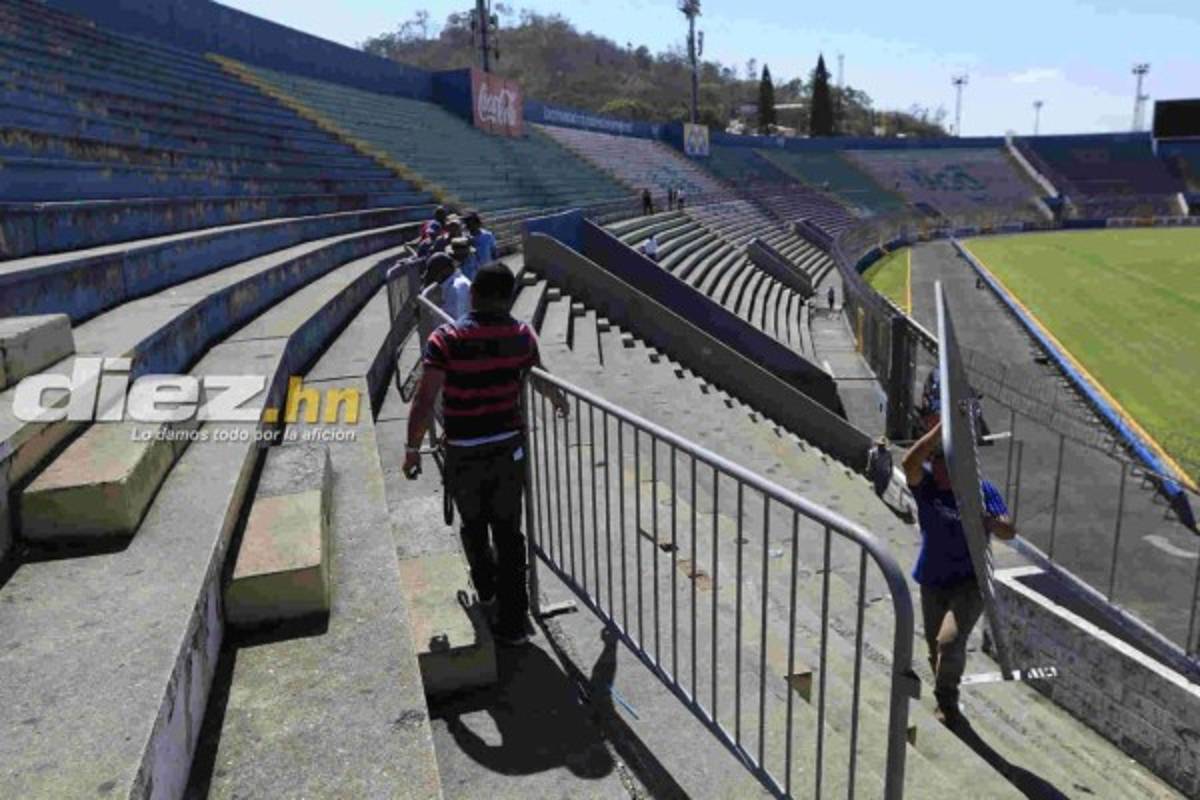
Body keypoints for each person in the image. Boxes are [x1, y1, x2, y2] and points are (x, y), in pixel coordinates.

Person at [404, 262, 570, 646]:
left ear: (474, 293)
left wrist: (412, 449)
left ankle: (488, 593)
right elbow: (541, 376)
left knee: (475, 528)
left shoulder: (446, 339)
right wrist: (559, 400)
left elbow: (425, 398)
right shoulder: (522, 335)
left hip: (465, 453)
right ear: (508, 297)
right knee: (510, 535)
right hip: (508, 452)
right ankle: (513, 624)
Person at [902, 418, 1015, 725]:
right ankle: (944, 689)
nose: (934, 467)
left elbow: (1008, 530)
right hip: (933, 579)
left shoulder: (981, 491)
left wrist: (987, 520)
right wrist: (938, 432)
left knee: (949, 641)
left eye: (941, 462)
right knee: (935, 647)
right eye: (933, 460)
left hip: (969, 582)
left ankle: (947, 704)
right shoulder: (927, 488)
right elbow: (908, 462)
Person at [425, 251, 471, 321]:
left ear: (447, 270)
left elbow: (453, 322)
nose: (434, 278)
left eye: (435, 273)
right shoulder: (456, 282)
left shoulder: (456, 288)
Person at [464, 210, 496, 280]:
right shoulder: (464, 239)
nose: (470, 225)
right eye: (468, 223)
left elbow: (493, 252)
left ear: (477, 222)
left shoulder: (488, 235)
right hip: (473, 275)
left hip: (488, 271)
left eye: (472, 222)